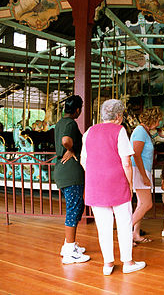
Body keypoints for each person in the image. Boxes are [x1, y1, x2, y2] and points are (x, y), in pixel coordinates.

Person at [81, 99, 145, 275]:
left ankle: (108, 264)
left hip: (96, 186)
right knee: (124, 223)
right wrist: (130, 184)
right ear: (118, 116)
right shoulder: (120, 130)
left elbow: (83, 161)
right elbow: (126, 162)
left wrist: (96, 174)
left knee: (103, 226)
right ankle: (128, 262)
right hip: (117, 184)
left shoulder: (89, 132)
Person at [54, 95, 90, 264]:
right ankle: (69, 250)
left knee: (76, 206)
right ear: (77, 110)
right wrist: (72, 149)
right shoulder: (70, 123)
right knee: (74, 209)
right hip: (71, 173)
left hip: (63, 171)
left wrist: (69, 148)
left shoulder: (60, 123)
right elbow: (66, 140)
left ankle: (69, 245)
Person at [130, 107, 163, 244]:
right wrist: (144, 176)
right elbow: (136, 155)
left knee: (141, 204)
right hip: (139, 170)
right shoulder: (140, 131)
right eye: (158, 120)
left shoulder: (144, 131)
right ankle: (125, 232)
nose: (160, 122)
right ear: (153, 119)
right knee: (147, 204)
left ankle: (135, 234)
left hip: (142, 170)